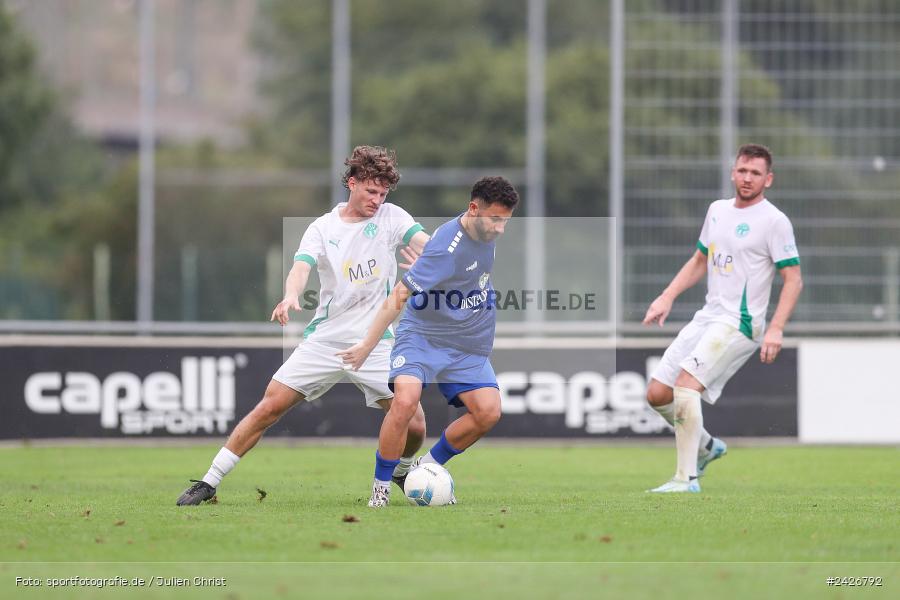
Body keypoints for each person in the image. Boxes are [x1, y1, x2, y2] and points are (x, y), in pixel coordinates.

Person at [177, 145, 430, 505]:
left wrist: (430, 258)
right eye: (371, 191)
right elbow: (301, 267)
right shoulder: (322, 228)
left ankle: (402, 471)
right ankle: (208, 481)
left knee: (416, 423)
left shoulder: (392, 217)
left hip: (375, 343)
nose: (377, 200)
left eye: (383, 193)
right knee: (269, 407)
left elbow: (427, 244)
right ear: (352, 183)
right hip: (325, 341)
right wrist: (290, 295)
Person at [338, 176, 519, 507]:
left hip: (467, 343)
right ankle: (381, 486)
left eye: (505, 221)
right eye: (495, 219)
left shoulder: (484, 232)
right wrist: (367, 345)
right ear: (473, 209)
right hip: (423, 337)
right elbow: (399, 295)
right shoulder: (445, 249)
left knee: (488, 412)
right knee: (405, 402)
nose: (500, 229)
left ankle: (427, 468)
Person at [642, 143, 803, 493]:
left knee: (686, 387)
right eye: (742, 170)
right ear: (733, 172)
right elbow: (700, 260)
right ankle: (706, 447)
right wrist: (666, 296)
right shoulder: (717, 210)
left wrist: (776, 328)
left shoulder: (774, 221)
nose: (747, 178)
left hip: (740, 323)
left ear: (768, 179)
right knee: (656, 393)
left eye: (756, 173)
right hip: (709, 315)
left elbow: (793, 279)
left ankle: (686, 480)